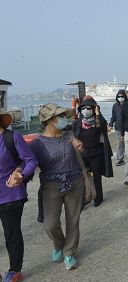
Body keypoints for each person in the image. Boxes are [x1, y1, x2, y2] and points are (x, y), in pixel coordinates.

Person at [29, 103, 85, 270]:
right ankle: (59, 245)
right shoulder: (37, 143)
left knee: (73, 221)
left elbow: (80, 154)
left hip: (75, 181)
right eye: (60, 116)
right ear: (50, 120)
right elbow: (29, 163)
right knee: (50, 224)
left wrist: (81, 148)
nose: (63, 119)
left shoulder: (69, 134)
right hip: (51, 186)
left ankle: (69, 253)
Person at [0, 109, 38, 282]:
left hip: (10, 193)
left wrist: (20, 174)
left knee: (11, 233)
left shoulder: (12, 137)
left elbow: (30, 160)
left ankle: (15, 269)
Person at [73, 98, 113, 207]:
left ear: (94, 109)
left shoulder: (98, 122)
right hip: (82, 155)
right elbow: (70, 133)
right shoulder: (77, 123)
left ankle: (98, 198)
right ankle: (84, 199)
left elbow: (102, 125)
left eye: (89, 108)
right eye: (83, 108)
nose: (86, 110)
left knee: (96, 178)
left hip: (96, 155)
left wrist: (98, 113)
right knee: (82, 179)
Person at [108, 89, 127, 166]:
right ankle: (120, 159)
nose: (120, 97)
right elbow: (113, 116)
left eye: (122, 96)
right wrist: (110, 124)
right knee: (120, 143)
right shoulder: (115, 105)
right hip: (118, 127)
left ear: (125, 96)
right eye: (119, 96)